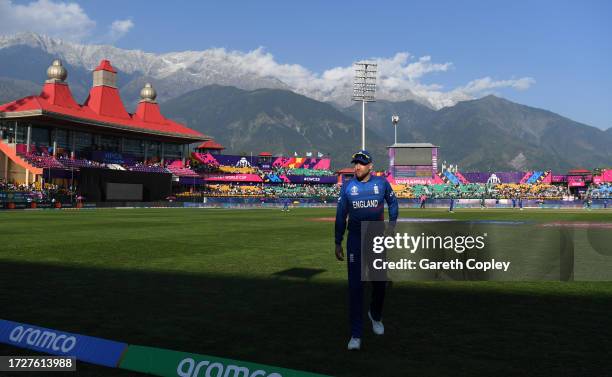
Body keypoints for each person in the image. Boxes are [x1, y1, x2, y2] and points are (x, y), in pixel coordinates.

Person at [335, 150, 399, 351]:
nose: (357, 166)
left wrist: (392, 225)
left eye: (361, 163)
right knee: (355, 288)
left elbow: (393, 202)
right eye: (355, 163)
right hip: (355, 240)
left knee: (380, 284)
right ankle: (356, 334)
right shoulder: (347, 187)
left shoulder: (381, 184)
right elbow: (340, 215)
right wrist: (338, 241)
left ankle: (375, 315)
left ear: (370, 165)